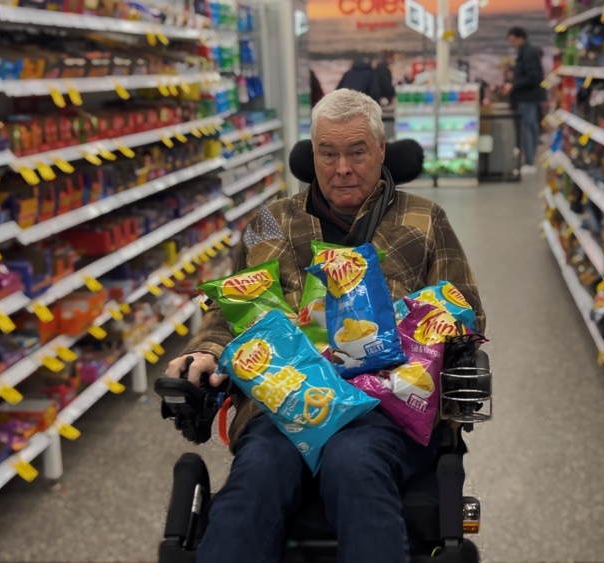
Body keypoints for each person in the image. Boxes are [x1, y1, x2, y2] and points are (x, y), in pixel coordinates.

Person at [164, 88, 486, 563]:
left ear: (381, 150)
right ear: (311, 155)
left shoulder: (424, 220)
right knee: (259, 470)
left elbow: (466, 309)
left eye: (357, 152)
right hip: (284, 405)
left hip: (386, 408)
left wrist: (418, 331)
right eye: (328, 153)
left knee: (352, 460)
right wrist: (206, 351)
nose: (343, 168)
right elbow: (227, 313)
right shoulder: (271, 223)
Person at [507, 26, 546, 177]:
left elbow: (533, 76)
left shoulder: (528, 53)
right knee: (531, 127)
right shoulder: (526, 52)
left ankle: (529, 161)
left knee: (528, 128)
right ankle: (529, 160)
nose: (512, 44)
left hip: (527, 97)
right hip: (528, 96)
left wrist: (514, 84)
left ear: (521, 37)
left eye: (513, 41)